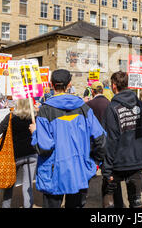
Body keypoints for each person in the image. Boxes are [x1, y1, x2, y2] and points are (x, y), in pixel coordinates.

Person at [30, 69, 107, 208]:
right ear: (69, 84)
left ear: (51, 85)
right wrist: (94, 163)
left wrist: (34, 132)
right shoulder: (84, 108)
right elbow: (101, 139)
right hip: (79, 171)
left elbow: (44, 147)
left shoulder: (45, 111)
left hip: (54, 174)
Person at [101, 71, 142, 208]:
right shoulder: (141, 106)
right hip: (137, 161)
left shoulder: (112, 108)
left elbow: (110, 141)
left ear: (114, 86)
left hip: (117, 164)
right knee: (135, 201)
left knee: (110, 198)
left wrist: (106, 170)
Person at [0, 99, 38, 208]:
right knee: (28, 187)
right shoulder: (34, 118)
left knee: (9, 184)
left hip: (13, 157)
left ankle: (6, 206)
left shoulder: (10, 117)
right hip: (32, 155)